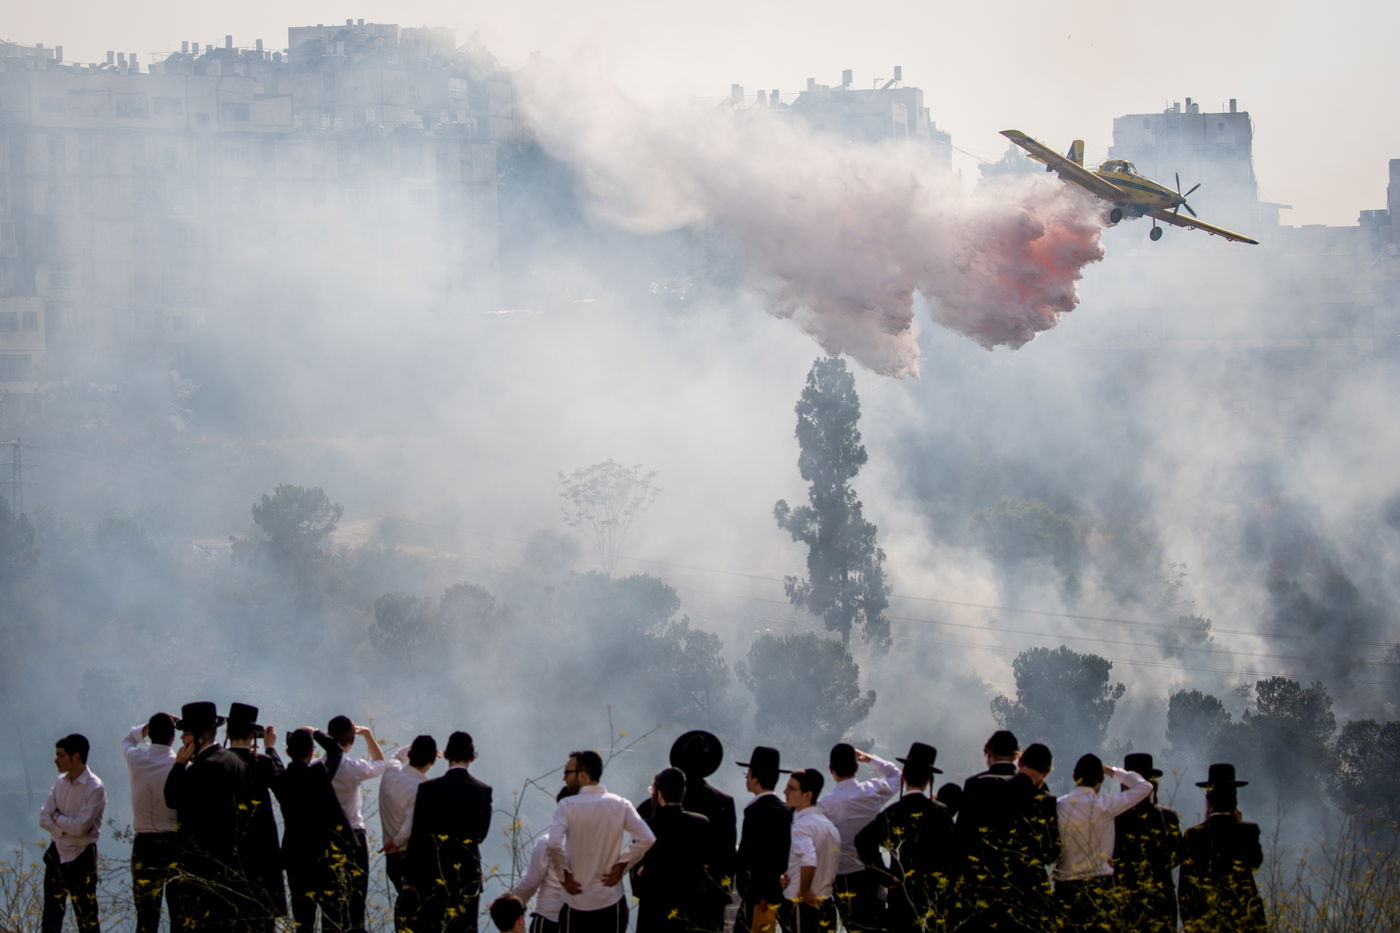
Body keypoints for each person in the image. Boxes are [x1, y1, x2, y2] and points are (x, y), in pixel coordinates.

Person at [545, 749, 655, 933]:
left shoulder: (567, 806)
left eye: (567, 773)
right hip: (611, 899)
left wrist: (563, 874)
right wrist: (622, 864)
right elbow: (647, 838)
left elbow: (554, 843)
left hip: (576, 901)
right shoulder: (620, 804)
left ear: (583, 775)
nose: (564, 779)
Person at [637, 731, 735, 933]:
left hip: (657, 903)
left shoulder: (649, 808)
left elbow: (639, 861)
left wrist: (642, 885)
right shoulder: (723, 803)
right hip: (704, 902)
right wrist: (721, 895)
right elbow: (727, 857)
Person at [164, 700, 249, 932]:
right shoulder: (235, 762)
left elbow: (172, 798)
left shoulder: (201, 768)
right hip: (229, 865)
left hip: (198, 866)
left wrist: (179, 764)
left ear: (199, 736)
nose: (182, 740)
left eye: (186, 734)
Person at [855, 742, 955, 933]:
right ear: (928, 780)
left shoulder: (893, 813)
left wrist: (885, 876)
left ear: (904, 777)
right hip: (933, 895)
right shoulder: (941, 814)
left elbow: (862, 840)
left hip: (900, 894)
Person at [1052, 754, 1153, 931]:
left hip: (1065, 885)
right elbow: (1145, 787)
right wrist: (1113, 772)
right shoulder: (1105, 805)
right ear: (1100, 780)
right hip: (1099, 884)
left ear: (1074, 777)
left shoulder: (1059, 805)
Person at [407, 730, 493, 933]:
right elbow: (481, 834)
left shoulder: (428, 789)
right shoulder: (483, 791)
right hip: (467, 872)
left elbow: (417, 835)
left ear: (445, 755)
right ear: (472, 757)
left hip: (433, 870)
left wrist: (411, 880)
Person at [273, 727, 352, 933]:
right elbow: (336, 751)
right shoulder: (319, 775)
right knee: (333, 917)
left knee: (303, 921)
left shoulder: (282, 780)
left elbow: (275, 766)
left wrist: (270, 747)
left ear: (288, 752)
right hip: (324, 856)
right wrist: (316, 732)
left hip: (296, 858)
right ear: (312, 753)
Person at [952, 730, 1030, 932]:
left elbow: (962, 836)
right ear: (1017, 754)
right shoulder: (1028, 785)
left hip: (981, 879)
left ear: (988, 752)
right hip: (1019, 880)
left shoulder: (975, 785)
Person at [1177, 763, 1266, 933]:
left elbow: (1185, 885)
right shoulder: (1248, 830)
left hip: (1205, 915)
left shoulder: (1193, 835)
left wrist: (1189, 922)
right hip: (1244, 916)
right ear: (1235, 798)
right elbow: (1255, 863)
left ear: (1209, 799)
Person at [822, 743, 901, 933]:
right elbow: (898, 776)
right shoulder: (872, 790)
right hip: (871, 872)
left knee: (853, 927)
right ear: (857, 767)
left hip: (842, 877)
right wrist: (869, 758)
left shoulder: (824, 805)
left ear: (830, 770)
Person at [225, 703, 286, 931]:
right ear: (254, 735)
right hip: (262, 851)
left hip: (229, 848)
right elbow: (283, 787)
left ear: (228, 734)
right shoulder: (262, 763)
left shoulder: (219, 762)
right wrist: (271, 749)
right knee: (262, 919)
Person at [630, 767, 713, 933]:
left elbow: (638, 882)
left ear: (658, 793)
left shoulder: (646, 827)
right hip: (690, 910)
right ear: (683, 792)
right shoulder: (701, 824)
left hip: (653, 914)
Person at [39, 733, 106, 933]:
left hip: (81, 856)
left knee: (86, 916)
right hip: (57, 852)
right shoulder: (60, 783)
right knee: (51, 915)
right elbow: (43, 817)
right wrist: (64, 829)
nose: (56, 759)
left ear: (75, 756)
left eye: (61, 755)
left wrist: (57, 819)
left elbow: (81, 827)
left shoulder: (95, 787)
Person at [326, 714, 386, 931]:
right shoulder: (352, 768)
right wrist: (368, 736)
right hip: (353, 837)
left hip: (325, 837)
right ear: (351, 740)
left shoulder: (317, 765)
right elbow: (380, 764)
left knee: (331, 902)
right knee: (356, 900)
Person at [1111, 753, 1181, 933]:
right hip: (1161, 900)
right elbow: (1176, 856)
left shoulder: (1113, 818)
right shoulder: (1167, 818)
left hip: (1124, 897)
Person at [123, 713, 180, 933]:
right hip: (175, 843)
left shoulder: (136, 759)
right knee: (178, 912)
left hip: (145, 843)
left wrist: (143, 730)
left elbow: (127, 740)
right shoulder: (179, 763)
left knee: (146, 914)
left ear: (150, 735)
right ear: (173, 738)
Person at [381, 734, 438, 931]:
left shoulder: (391, 772)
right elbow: (410, 827)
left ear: (411, 754)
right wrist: (395, 843)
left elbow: (397, 755)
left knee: (403, 907)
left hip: (391, 857)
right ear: (432, 761)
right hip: (408, 856)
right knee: (416, 913)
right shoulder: (420, 787)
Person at [734, 746, 792, 933]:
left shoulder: (754, 810)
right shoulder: (787, 811)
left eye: (748, 773)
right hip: (783, 890)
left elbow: (747, 856)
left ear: (755, 777)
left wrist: (751, 891)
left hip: (758, 894)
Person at [778, 768, 841, 933]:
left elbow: (809, 860)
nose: (785, 792)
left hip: (803, 906)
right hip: (827, 902)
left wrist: (804, 890)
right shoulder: (828, 825)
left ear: (807, 795)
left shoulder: (801, 826)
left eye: (791, 789)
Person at [511, 786, 576, 933]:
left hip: (549, 917)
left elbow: (532, 881)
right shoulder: (596, 843)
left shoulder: (548, 842)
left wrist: (511, 899)